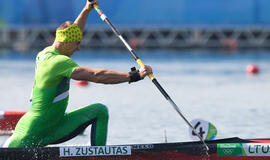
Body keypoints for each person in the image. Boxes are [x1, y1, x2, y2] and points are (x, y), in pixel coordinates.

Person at [5, 0, 152, 148]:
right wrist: (134, 76)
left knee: (99, 111)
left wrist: (86, 9)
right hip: (29, 136)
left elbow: (73, 32)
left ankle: (97, 155)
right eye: (77, 43)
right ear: (67, 42)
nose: (79, 48)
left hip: (53, 127)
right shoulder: (58, 62)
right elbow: (96, 76)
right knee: (100, 110)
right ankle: (98, 156)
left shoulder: (46, 53)